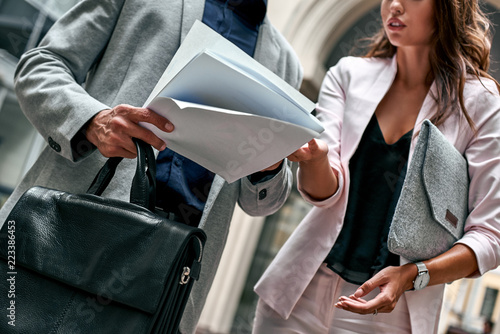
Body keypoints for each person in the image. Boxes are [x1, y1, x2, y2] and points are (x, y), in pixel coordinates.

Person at [0, 0, 303, 333]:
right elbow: (40, 65)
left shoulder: (286, 63)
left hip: (169, 277)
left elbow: (261, 201)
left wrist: (270, 165)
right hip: (69, 231)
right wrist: (93, 121)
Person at [253, 0, 500, 333]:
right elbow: (323, 196)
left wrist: (412, 276)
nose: (394, 5)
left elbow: (488, 237)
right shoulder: (348, 75)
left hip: (391, 313)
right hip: (300, 292)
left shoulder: (480, 103)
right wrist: (316, 158)